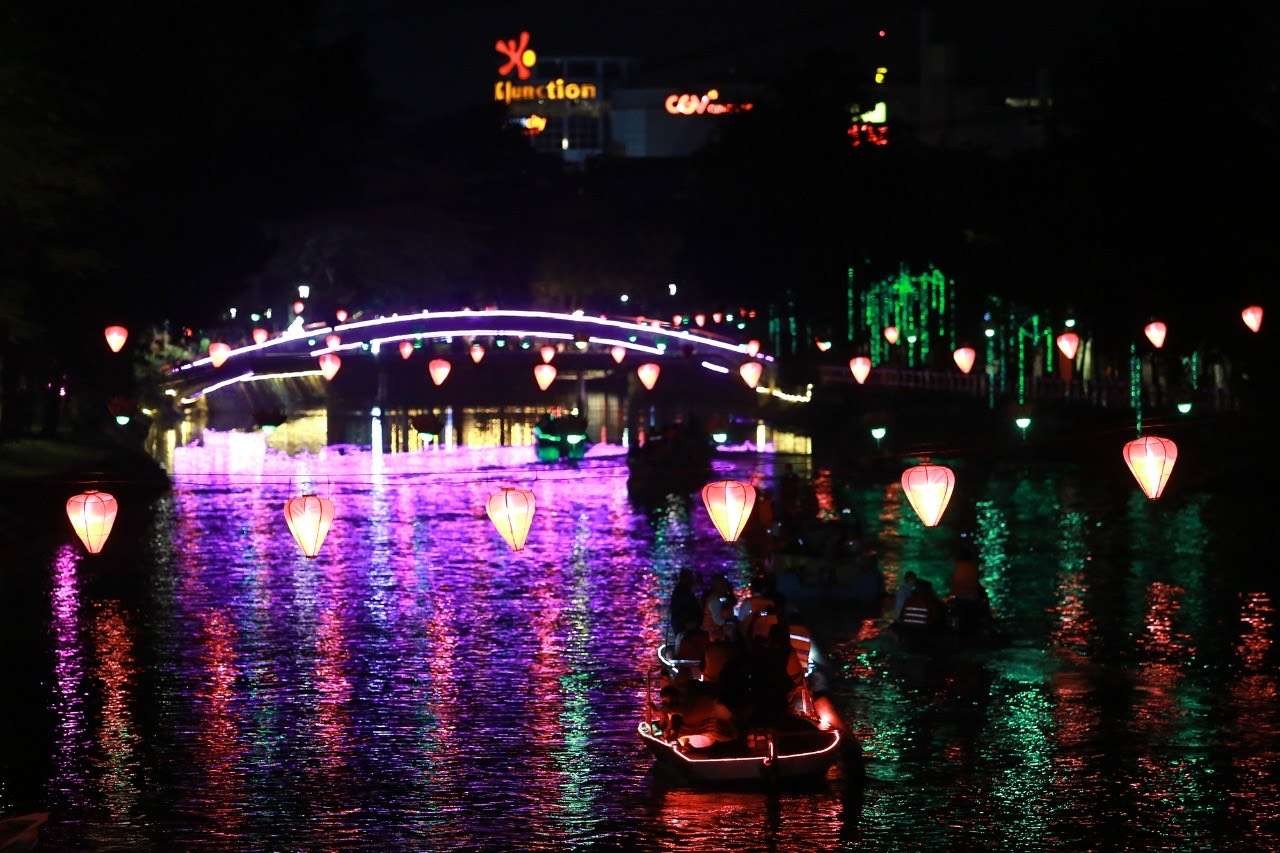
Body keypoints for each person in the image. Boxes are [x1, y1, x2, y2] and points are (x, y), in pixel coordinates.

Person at [946, 550, 993, 635]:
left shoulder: (955, 567)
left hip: (959, 598)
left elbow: (951, 581)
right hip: (972, 598)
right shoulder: (974, 567)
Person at [669, 569, 702, 637]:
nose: (693, 581)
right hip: (686, 628)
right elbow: (686, 610)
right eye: (691, 578)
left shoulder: (681, 591)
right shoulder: (683, 593)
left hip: (683, 626)